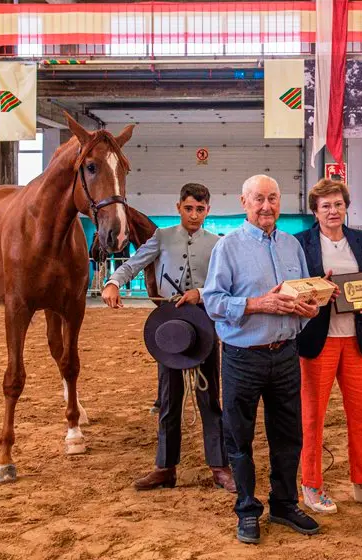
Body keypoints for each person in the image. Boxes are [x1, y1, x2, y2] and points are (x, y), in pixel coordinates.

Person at [202, 174, 321, 544]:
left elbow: (302, 292)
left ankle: (284, 504)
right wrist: (257, 303)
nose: (266, 206)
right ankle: (247, 509)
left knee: (288, 436)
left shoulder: (291, 246)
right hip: (243, 357)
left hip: (286, 355)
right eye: (258, 199)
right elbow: (213, 302)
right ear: (244, 202)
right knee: (240, 438)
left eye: (272, 198)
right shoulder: (228, 248)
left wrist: (310, 307)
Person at [102, 183, 235, 494]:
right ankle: (165, 467)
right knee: (168, 397)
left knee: (209, 398)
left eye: (200, 209)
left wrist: (200, 293)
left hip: (203, 323)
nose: (194, 214)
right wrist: (113, 282)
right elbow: (134, 264)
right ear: (179, 207)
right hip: (168, 324)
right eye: (188, 208)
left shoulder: (217, 244)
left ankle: (219, 466)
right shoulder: (161, 237)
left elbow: (225, 282)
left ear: (208, 211)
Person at [294, 179, 362, 515]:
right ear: (315, 211)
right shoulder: (300, 243)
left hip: (357, 339)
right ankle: (311, 485)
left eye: (338, 204)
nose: (333, 211)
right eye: (325, 206)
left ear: (345, 206)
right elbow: (295, 288)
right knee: (312, 417)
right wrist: (319, 289)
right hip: (318, 340)